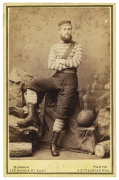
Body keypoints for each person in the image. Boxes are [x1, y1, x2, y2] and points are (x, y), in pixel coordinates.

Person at [17, 20, 83, 156]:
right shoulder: (54, 47)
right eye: (64, 29)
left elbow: (76, 62)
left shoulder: (77, 46)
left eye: (69, 29)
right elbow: (51, 65)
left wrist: (60, 61)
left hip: (71, 81)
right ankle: (31, 115)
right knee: (33, 83)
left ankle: (54, 143)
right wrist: (65, 63)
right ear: (59, 31)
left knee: (61, 111)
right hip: (56, 78)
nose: (67, 32)